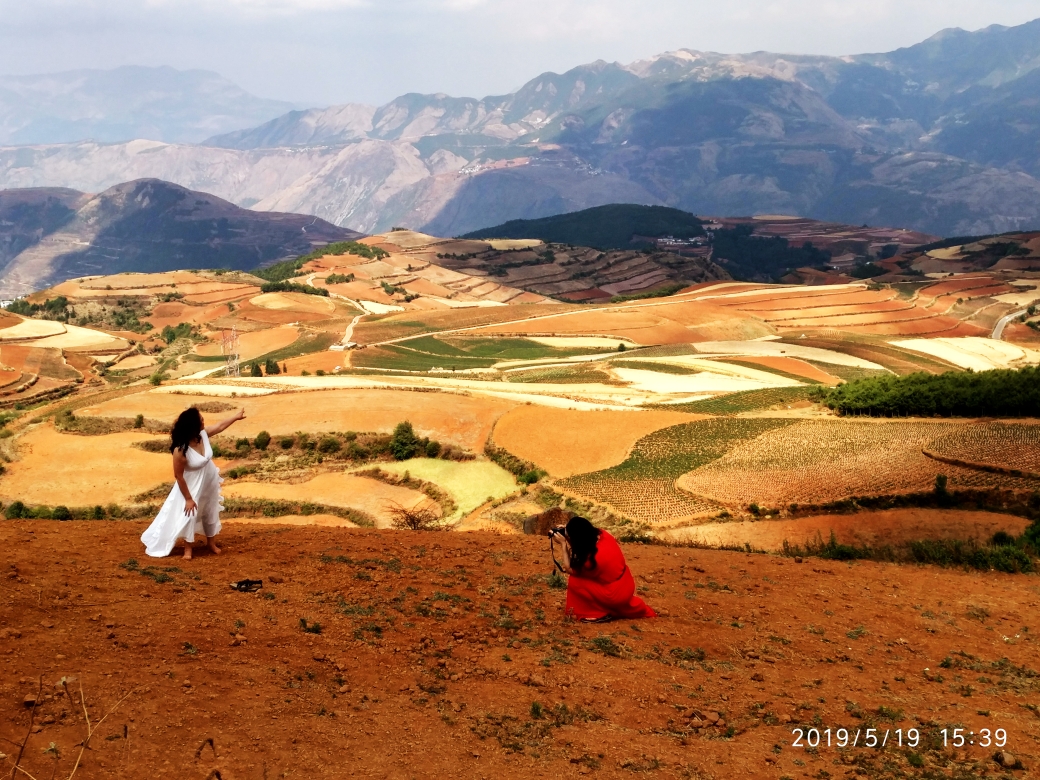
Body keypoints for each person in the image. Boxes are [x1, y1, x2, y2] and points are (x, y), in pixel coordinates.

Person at [141, 406, 245, 560]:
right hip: (190, 485)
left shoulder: (202, 435)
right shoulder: (180, 450)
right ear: (192, 426)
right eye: (201, 420)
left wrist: (236, 417)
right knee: (189, 514)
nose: (204, 421)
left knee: (210, 509)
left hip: (209, 479)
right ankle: (188, 549)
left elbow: (220, 426)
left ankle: (211, 543)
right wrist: (188, 499)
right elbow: (178, 475)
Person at [556, 516, 656, 622]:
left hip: (614, 595)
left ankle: (597, 614)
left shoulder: (592, 560)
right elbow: (582, 539)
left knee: (575, 581)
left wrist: (563, 544)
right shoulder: (604, 534)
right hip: (626, 583)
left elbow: (569, 569)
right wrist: (569, 530)